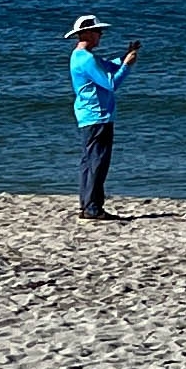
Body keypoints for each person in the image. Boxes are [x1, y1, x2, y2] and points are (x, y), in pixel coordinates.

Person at [65, 14, 140, 220]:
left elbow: (106, 66)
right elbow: (111, 84)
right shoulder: (87, 59)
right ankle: (93, 208)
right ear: (87, 33)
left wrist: (124, 59)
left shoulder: (80, 56)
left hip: (89, 115)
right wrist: (127, 66)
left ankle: (87, 204)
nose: (101, 35)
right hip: (98, 116)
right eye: (98, 31)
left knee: (89, 163)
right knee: (98, 163)